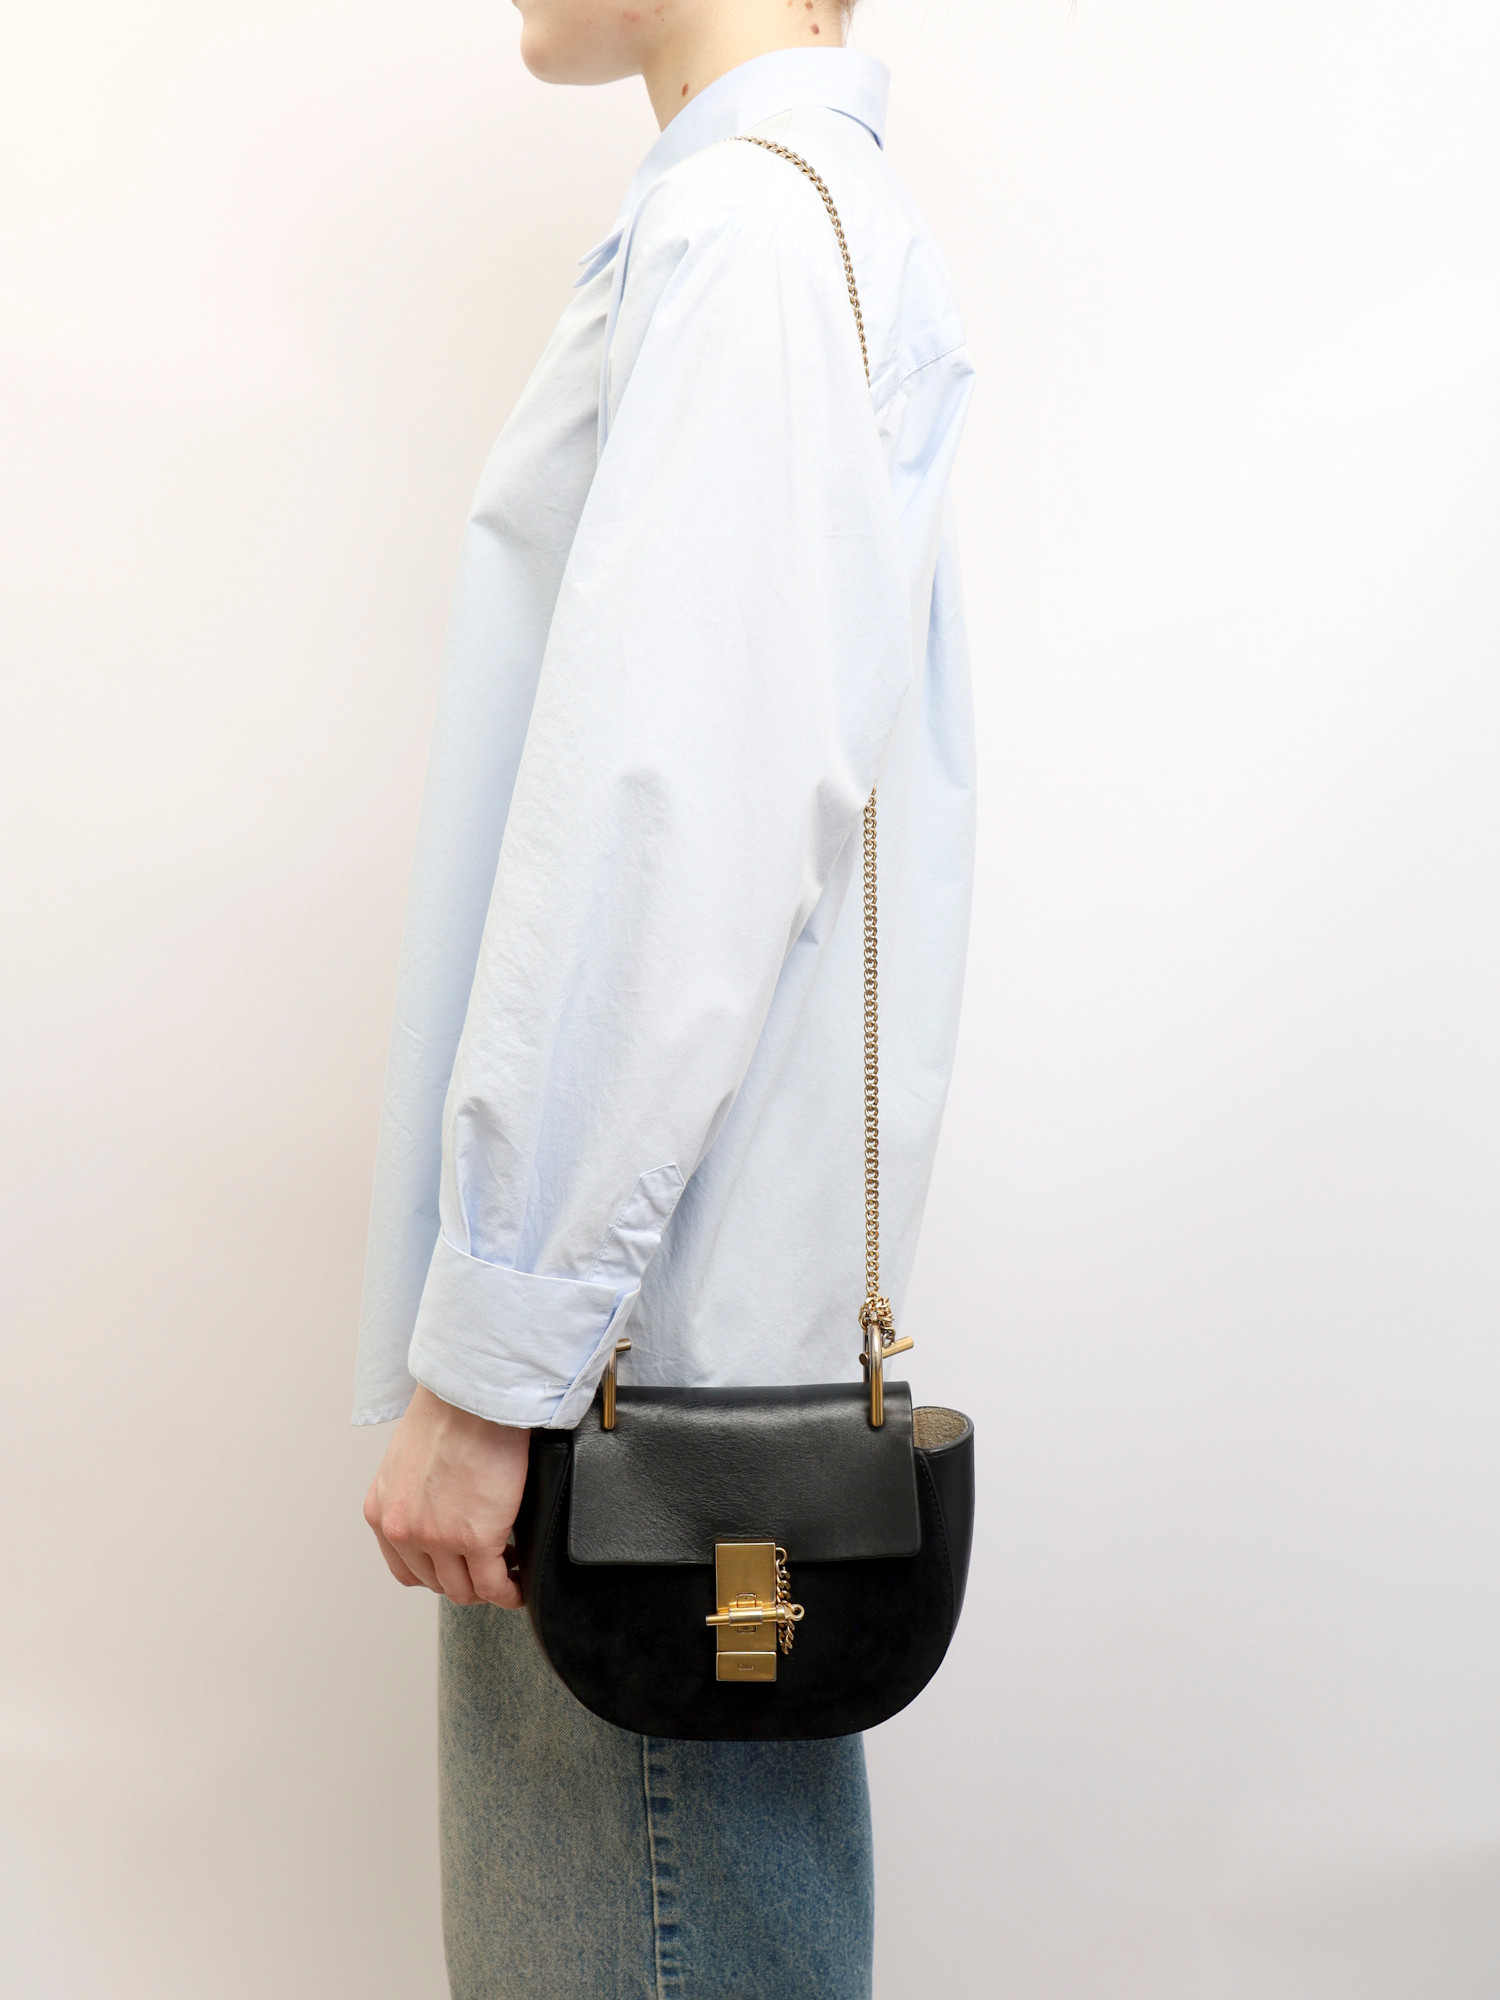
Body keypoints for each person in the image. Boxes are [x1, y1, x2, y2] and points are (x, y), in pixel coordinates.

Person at [354, 0, 974, 1990]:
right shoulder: (781, 223)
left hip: (625, 1394)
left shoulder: (752, 238)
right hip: (652, 1365)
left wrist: (495, 1364)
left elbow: (667, 833)